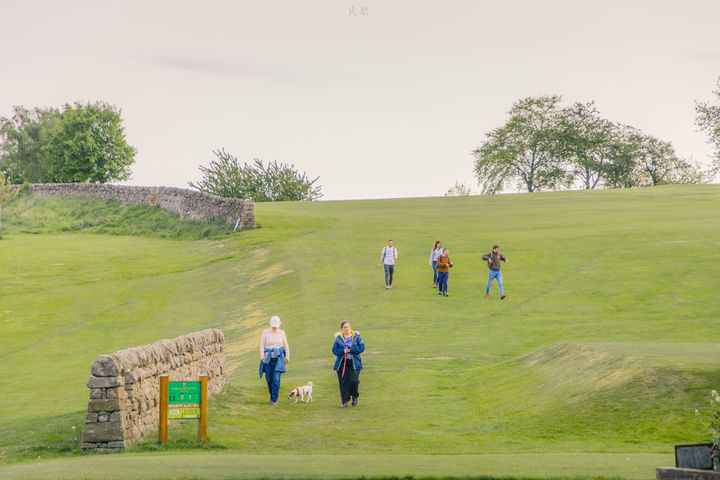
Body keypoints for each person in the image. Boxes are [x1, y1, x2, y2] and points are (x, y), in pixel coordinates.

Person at [332, 320, 365, 407]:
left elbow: (361, 348)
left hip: (354, 363)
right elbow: (334, 350)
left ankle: (354, 396)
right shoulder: (338, 339)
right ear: (341, 329)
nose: (347, 329)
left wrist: (351, 349)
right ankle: (345, 401)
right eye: (345, 327)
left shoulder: (356, 337)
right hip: (342, 364)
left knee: (354, 381)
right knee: (343, 382)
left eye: (348, 327)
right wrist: (343, 351)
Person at [258, 315, 290, 405]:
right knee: (269, 379)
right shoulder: (265, 332)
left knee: (276, 380)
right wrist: (262, 357)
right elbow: (261, 345)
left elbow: (286, 345)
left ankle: (274, 400)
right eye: (273, 326)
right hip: (267, 359)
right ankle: (272, 395)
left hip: (278, 359)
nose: (275, 327)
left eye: (276, 326)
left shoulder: (282, 333)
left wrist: (287, 356)